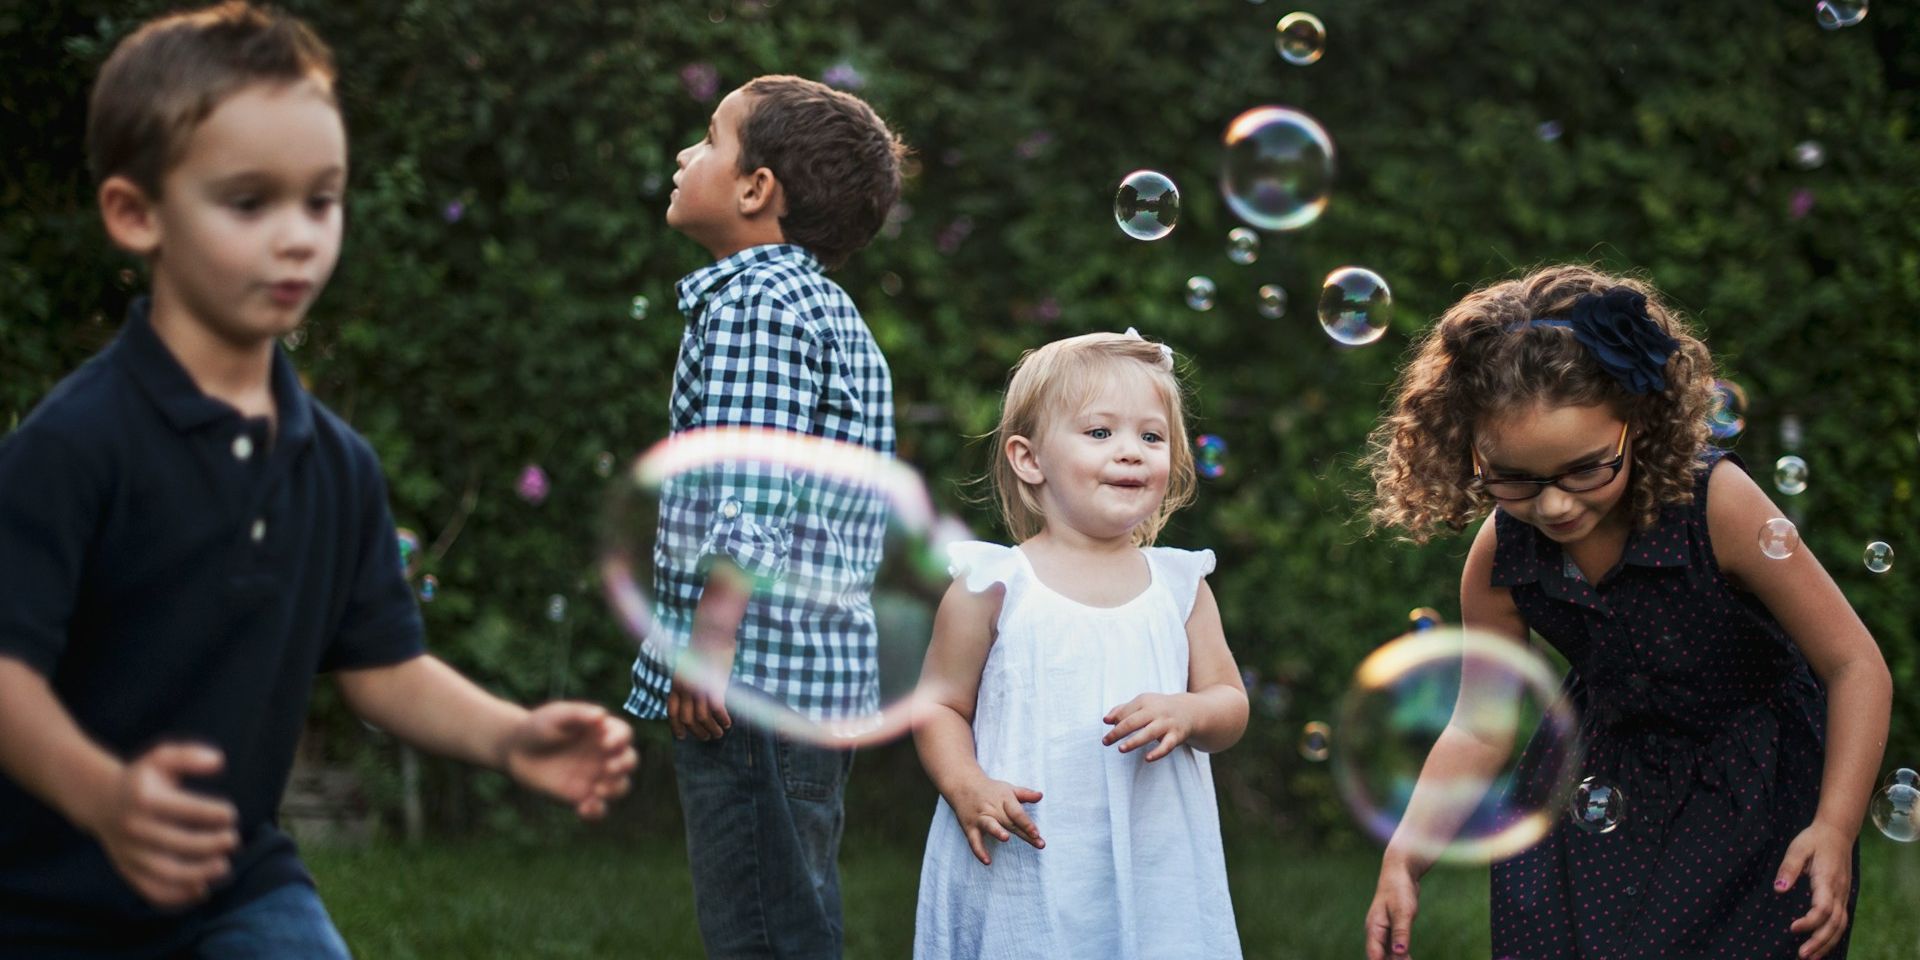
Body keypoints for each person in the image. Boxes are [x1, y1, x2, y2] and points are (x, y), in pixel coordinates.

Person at [0, 5, 636, 955]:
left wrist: (511, 737)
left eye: (321, 199)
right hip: (44, 898)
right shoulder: (79, 445)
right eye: (249, 203)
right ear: (137, 214)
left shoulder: (335, 464)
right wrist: (106, 797)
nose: (297, 236)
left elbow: (380, 666)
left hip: (236, 888)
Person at [1358, 264, 1892, 960]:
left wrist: (1835, 825)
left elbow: (1855, 664)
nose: (1553, 505)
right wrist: (1407, 853)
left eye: (1585, 469)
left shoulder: (1717, 507)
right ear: (1468, 449)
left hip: (1751, 791)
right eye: (1514, 477)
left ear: (1638, 424)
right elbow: (1478, 727)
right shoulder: (1500, 556)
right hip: (1595, 788)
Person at [623, 74, 906, 957]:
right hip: (803, 676)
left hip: (752, 674)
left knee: (762, 929)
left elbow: (750, 489)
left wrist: (710, 644)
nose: (683, 155)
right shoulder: (824, 308)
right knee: (795, 907)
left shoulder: (757, 305)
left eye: (708, 139)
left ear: (757, 189)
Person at [912, 329, 1249, 959]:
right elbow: (938, 706)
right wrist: (966, 784)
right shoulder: (995, 584)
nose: (1131, 452)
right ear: (1029, 458)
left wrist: (1191, 711)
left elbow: (1229, 702)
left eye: (1151, 437)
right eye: (1100, 433)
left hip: (1157, 856)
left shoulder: (1179, 586)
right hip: (1027, 857)